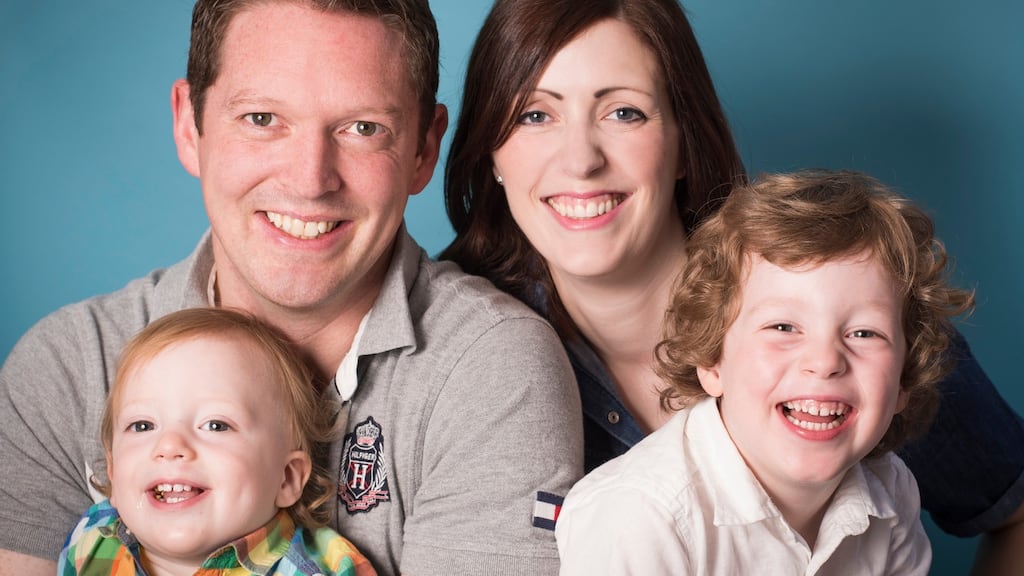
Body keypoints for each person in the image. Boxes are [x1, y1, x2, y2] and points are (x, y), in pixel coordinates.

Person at [0, 1, 584, 574]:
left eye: (363, 128)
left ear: (423, 149)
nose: (310, 181)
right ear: (189, 124)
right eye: (261, 119)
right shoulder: (71, 369)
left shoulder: (490, 374)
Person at [441, 0, 1024, 570]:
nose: (580, 159)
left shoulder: (852, 308)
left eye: (624, 113)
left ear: (682, 143)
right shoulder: (457, 353)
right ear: (492, 151)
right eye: (534, 115)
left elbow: (1014, 510)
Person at [556, 170, 975, 574]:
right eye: (783, 327)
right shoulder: (640, 518)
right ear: (712, 360)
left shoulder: (891, 492)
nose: (825, 361)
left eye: (864, 333)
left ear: (904, 379)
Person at [57, 307, 377, 576]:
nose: (169, 446)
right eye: (142, 425)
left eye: (215, 425)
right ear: (112, 470)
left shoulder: (322, 570)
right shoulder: (91, 541)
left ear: (287, 478)